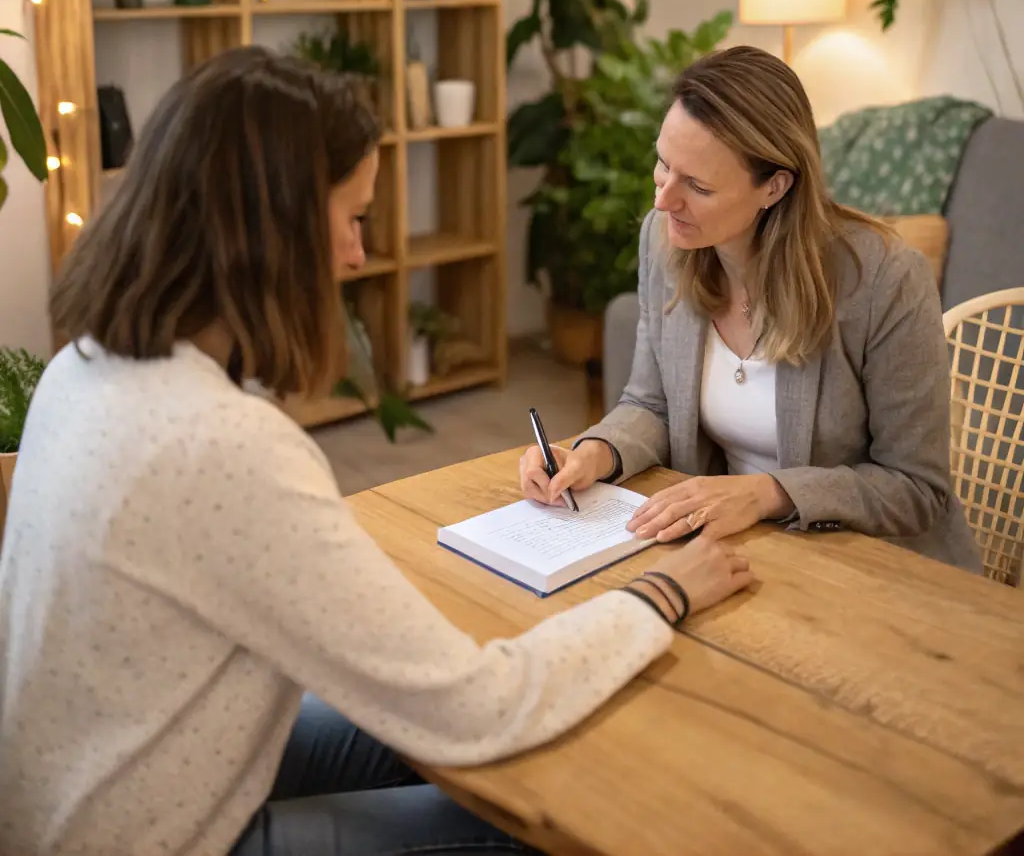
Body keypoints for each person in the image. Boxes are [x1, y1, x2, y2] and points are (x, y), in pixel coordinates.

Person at [0, 48, 754, 856]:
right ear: (272, 230)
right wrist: (657, 595)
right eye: (353, 218)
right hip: (160, 835)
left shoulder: (83, 368)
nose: (360, 255)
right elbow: (479, 707)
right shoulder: (221, 442)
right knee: (549, 826)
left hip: (82, 792)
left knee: (419, 731)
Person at [521, 46, 981, 573]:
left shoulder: (885, 279)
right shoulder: (667, 242)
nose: (664, 201)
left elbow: (916, 488)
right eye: (663, 166)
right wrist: (592, 454)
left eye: (697, 185)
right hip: (745, 555)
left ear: (775, 186)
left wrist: (767, 494)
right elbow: (651, 403)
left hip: (876, 574)